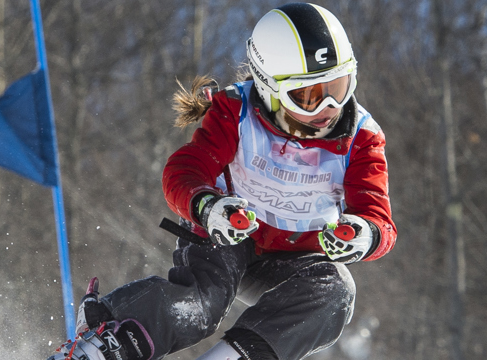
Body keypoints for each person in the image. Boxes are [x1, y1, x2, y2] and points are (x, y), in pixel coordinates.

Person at [47, 3, 397, 360]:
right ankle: (107, 341)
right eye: (306, 97)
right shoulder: (237, 112)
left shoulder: (360, 138)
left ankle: (233, 356)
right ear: (269, 88)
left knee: (336, 290)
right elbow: (185, 170)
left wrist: (364, 234)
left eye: (339, 88)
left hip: (292, 258)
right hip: (228, 234)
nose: (327, 108)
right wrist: (206, 205)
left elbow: (378, 217)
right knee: (203, 304)